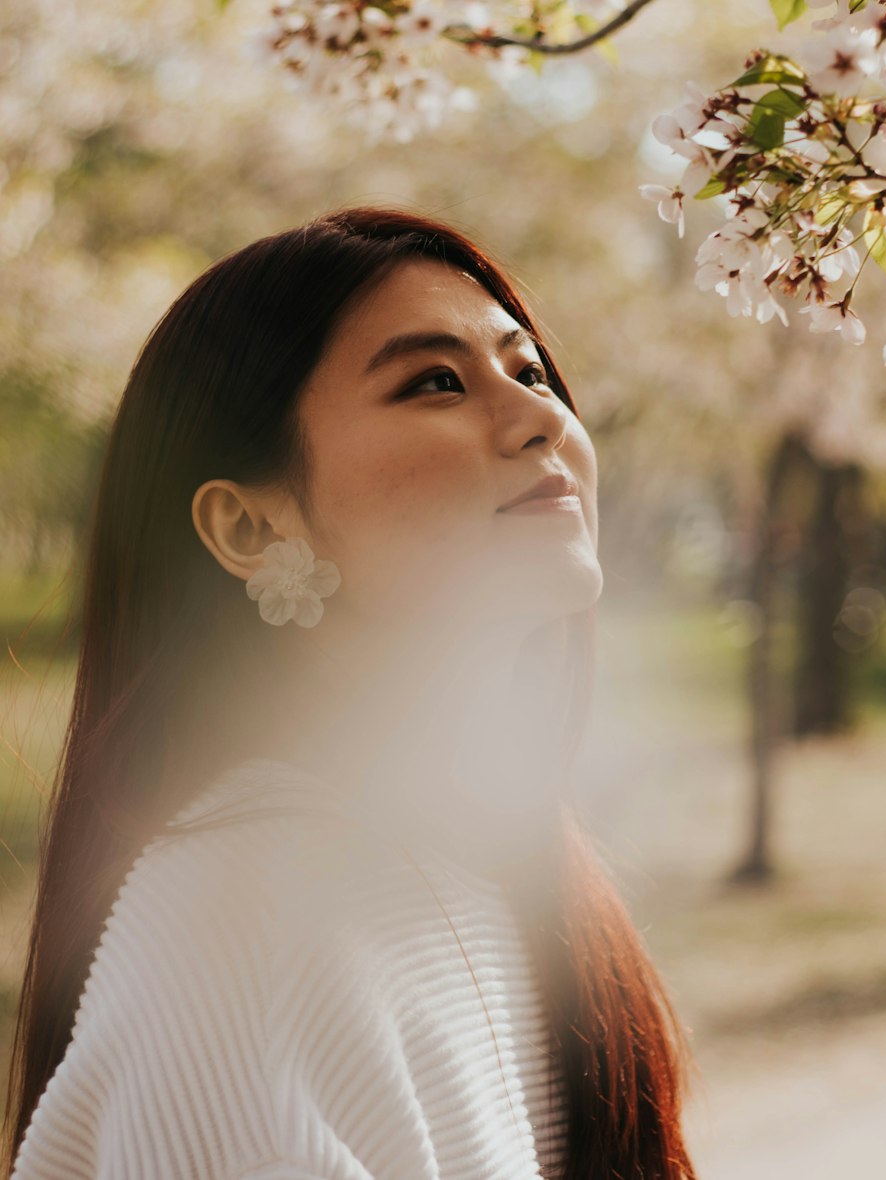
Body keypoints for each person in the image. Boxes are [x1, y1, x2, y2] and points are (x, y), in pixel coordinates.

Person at [2, 206, 700, 1180]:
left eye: (530, 371)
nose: (539, 415)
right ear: (249, 529)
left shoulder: (484, 856)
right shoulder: (241, 929)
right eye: (436, 382)